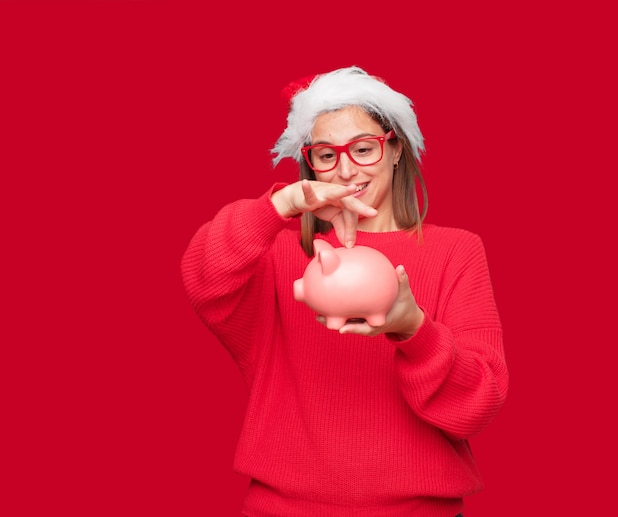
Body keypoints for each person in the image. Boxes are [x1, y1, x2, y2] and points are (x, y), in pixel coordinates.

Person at [181, 66, 508, 517]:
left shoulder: (456, 251)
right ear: (309, 163)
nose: (347, 169)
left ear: (396, 150)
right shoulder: (276, 254)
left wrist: (414, 328)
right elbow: (203, 276)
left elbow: (477, 405)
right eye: (327, 155)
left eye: (363, 148)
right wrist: (284, 204)